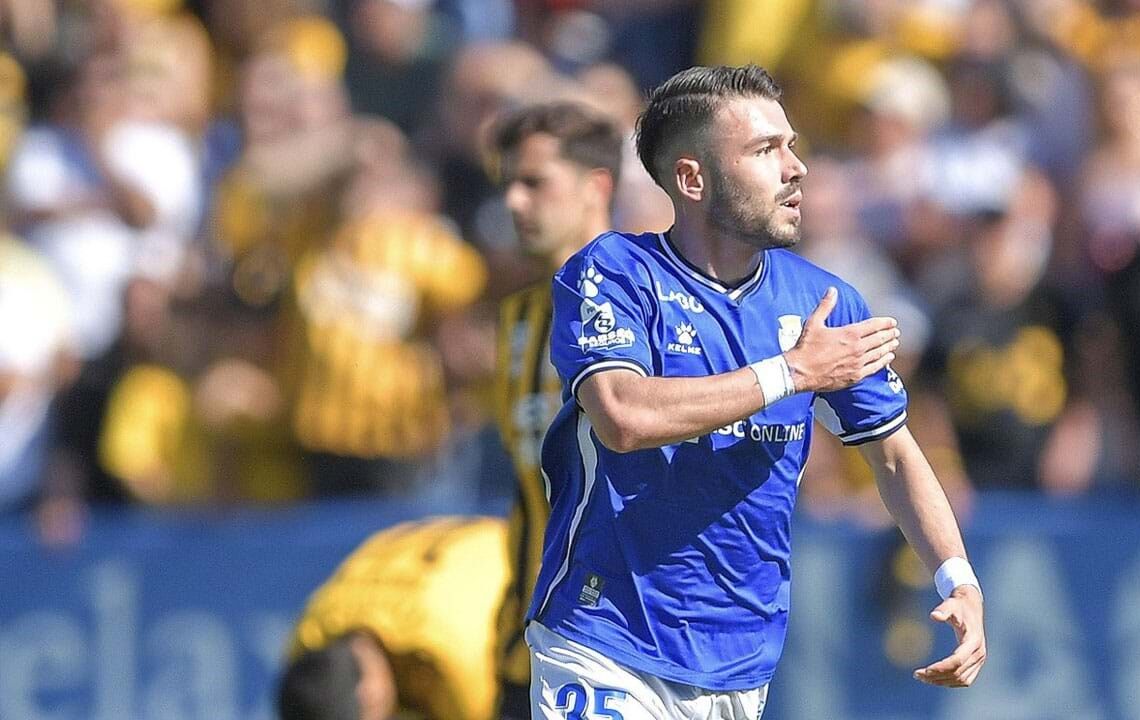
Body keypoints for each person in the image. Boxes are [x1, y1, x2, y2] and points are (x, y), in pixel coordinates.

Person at [526, 64, 987, 720]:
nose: (796, 168)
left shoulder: (821, 301)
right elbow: (622, 416)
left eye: (792, 146)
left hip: (742, 660)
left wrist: (959, 579)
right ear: (692, 179)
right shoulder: (613, 272)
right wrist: (792, 373)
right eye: (766, 149)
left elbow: (893, 454)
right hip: (606, 640)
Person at [489, 101, 622, 720]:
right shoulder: (516, 319)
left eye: (534, 182)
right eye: (507, 185)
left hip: (621, 658)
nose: (513, 202)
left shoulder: (653, 307)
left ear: (597, 186)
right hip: (523, 656)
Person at [279, 516, 509, 720]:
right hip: (446, 545)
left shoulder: (457, 666)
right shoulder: (309, 636)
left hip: (513, 558)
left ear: (370, 696)